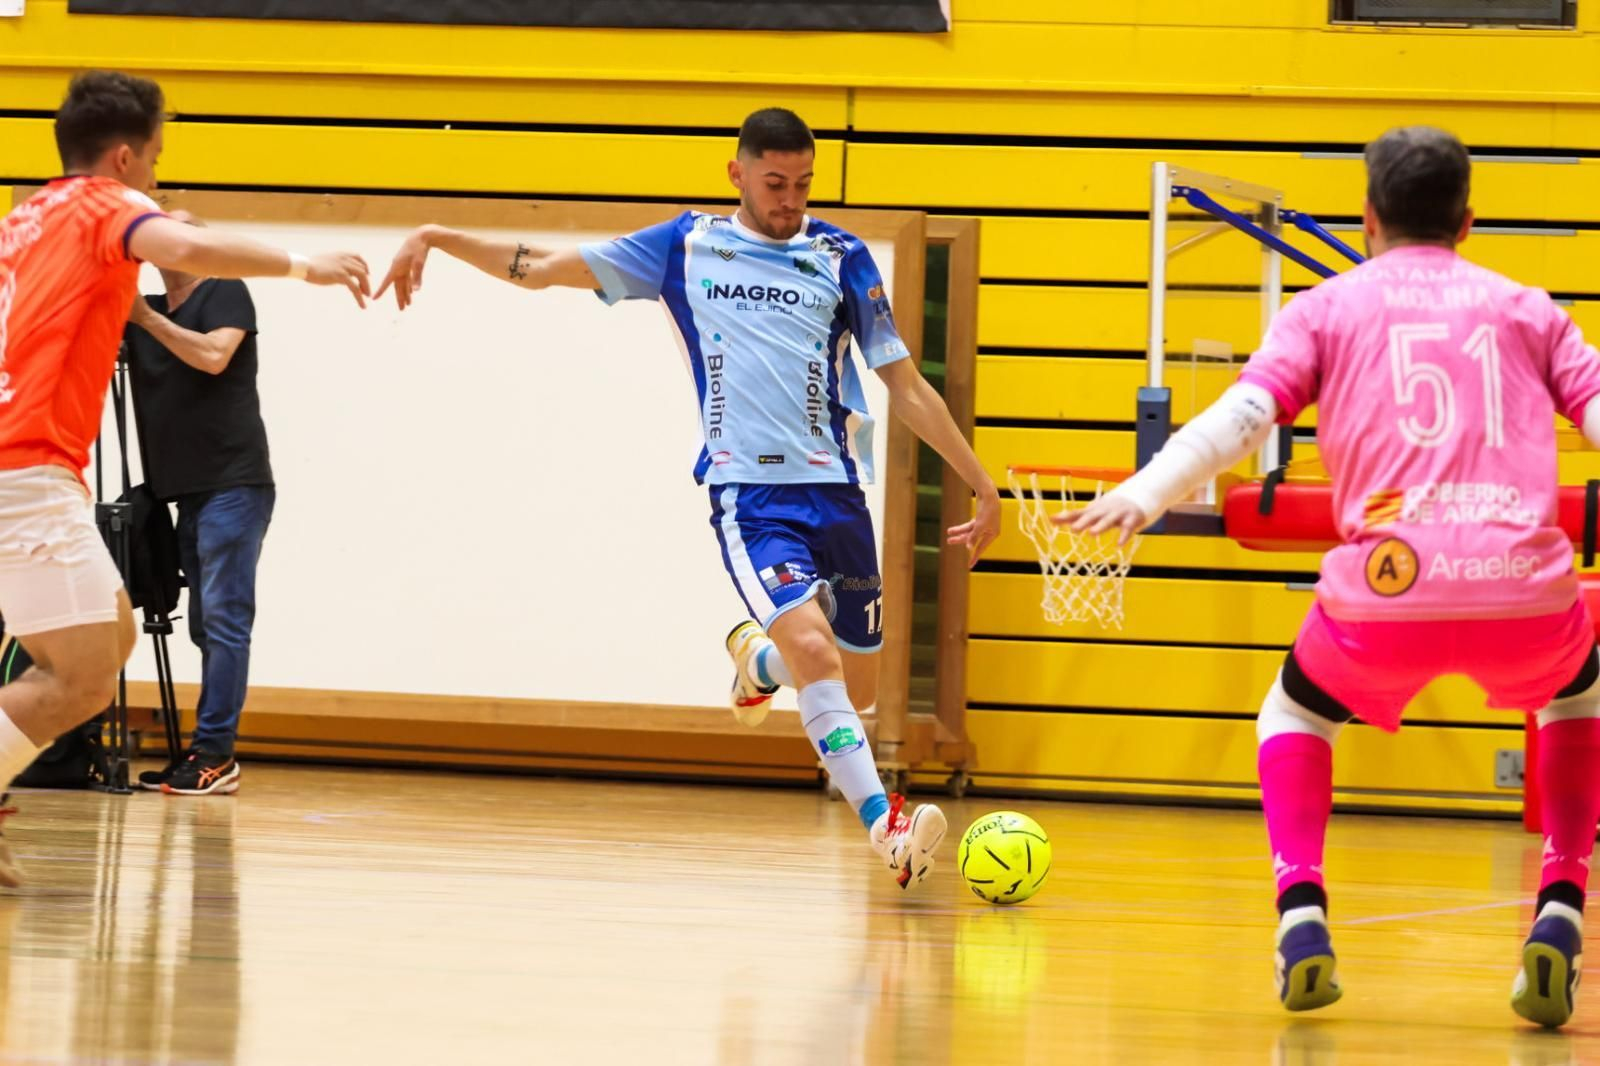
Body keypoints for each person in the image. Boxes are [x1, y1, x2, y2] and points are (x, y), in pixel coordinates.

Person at [375, 107, 1000, 891]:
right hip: (751, 495)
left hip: (837, 493)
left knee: (854, 684)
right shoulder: (683, 246)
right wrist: (436, 235)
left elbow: (901, 383)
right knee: (818, 655)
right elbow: (539, 266)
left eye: (803, 184)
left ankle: (755, 661)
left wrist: (979, 478)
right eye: (774, 183)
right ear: (736, 173)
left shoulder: (841, 257)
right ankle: (887, 827)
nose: (790, 200)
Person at [1066, 126, 1600, 1028]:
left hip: (1386, 589)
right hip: (1520, 581)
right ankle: (1560, 905)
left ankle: (1302, 910)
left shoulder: (1325, 308)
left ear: (1366, 219)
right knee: (1577, 697)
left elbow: (1241, 418)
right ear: (1468, 222)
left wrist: (1149, 491)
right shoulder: (1527, 307)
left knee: (1296, 710)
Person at [0, 71, 370, 880]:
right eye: (158, 164)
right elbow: (190, 247)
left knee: (99, 644)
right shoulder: (104, 207)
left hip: (26, 471)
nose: (157, 183)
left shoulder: (23, 219)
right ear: (127, 158)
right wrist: (310, 263)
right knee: (89, 671)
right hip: (25, 472)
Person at [124, 214, 275, 797]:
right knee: (206, 625)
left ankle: (216, 753)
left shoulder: (224, 290)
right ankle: (202, 750)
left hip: (232, 483)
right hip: (182, 490)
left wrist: (143, 317)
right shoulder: (148, 308)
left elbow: (214, 356)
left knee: (224, 620)